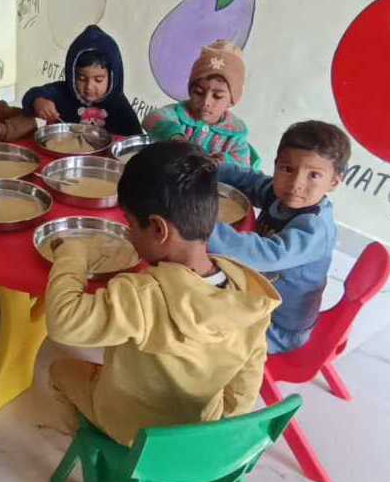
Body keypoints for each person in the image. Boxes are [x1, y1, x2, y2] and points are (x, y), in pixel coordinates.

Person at [46, 142, 280, 454]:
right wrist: (215, 427)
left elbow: (63, 321)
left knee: (59, 370)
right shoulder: (250, 294)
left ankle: (95, 449)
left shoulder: (143, 294)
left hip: (133, 430)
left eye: (130, 224)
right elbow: (246, 383)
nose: (128, 234)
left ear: (158, 228)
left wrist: (72, 252)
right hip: (196, 431)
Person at [208, 121, 351, 354]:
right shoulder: (280, 195)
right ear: (276, 166)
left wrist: (201, 227)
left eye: (313, 175)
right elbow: (251, 181)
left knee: (195, 321)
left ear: (334, 182)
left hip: (276, 328)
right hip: (257, 296)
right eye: (287, 169)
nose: (296, 184)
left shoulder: (315, 229)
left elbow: (265, 254)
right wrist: (213, 169)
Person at [143, 40, 261, 169]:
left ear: (231, 100)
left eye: (217, 96)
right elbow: (152, 119)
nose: (206, 102)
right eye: (199, 92)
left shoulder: (235, 134)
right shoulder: (178, 114)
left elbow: (243, 169)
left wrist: (221, 162)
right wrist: (176, 138)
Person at [22, 25, 142, 136]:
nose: (89, 86)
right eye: (82, 78)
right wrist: (38, 101)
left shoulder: (119, 105)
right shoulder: (62, 92)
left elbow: (136, 139)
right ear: (72, 74)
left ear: (112, 78)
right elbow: (32, 94)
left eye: (98, 80)